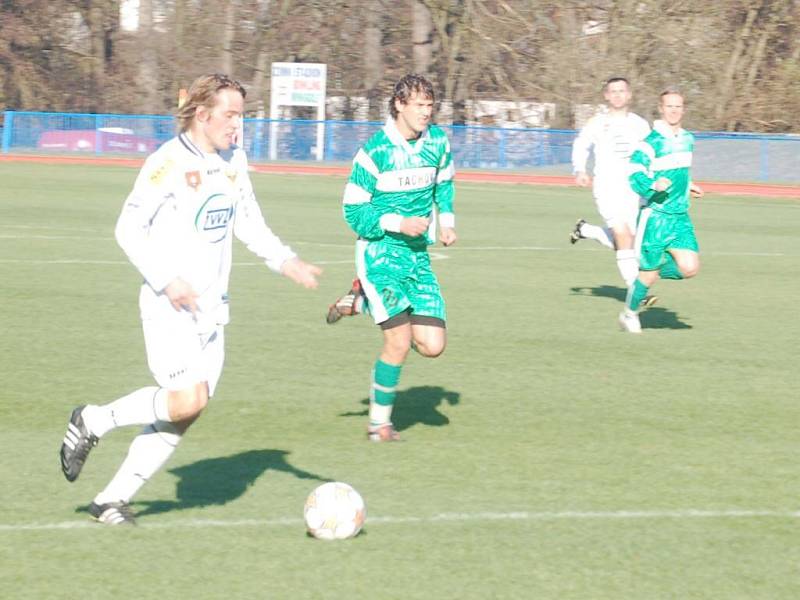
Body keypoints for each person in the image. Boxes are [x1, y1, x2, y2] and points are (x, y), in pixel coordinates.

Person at [59, 73, 322, 525]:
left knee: (183, 415)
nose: (238, 125)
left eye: (242, 115)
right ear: (202, 114)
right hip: (169, 305)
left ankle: (109, 500)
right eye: (230, 115)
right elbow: (127, 229)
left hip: (211, 310)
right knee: (186, 400)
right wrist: (166, 280)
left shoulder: (234, 160)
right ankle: (93, 420)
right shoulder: (167, 163)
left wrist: (287, 261)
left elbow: (250, 223)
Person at [325, 73, 456, 442]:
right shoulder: (375, 152)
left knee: (432, 345)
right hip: (380, 255)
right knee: (397, 341)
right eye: (419, 105)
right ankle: (378, 425)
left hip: (417, 257)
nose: (426, 113)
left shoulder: (438, 143)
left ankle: (362, 298)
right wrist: (398, 222)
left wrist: (446, 221)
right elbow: (353, 213)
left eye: (430, 106)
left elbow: (444, 183)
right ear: (399, 104)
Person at [619, 89, 703, 333]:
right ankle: (629, 313)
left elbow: (680, 172)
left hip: (680, 216)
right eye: (669, 106)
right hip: (655, 216)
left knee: (690, 268)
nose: (674, 110)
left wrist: (689, 186)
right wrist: (652, 185)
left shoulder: (688, 139)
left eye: (678, 106)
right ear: (661, 108)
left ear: (683, 109)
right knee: (649, 276)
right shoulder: (651, 142)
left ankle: (648, 271)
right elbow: (633, 173)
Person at [570, 77, 652, 293]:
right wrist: (580, 169)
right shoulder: (597, 122)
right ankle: (637, 290)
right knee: (623, 235)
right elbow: (581, 145)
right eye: (613, 91)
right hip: (607, 188)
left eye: (622, 91)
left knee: (630, 242)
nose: (617, 95)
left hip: (634, 189)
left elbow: (652, 153)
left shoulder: (640, 124)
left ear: (629, 94)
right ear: (606, 95)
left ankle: (587, 230)